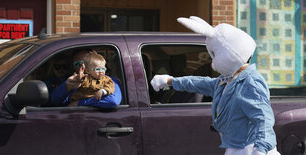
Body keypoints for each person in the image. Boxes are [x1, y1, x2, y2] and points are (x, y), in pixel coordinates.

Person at [151, 16, 280, 155]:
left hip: (250, 148)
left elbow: (263, 118)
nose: (212, 62)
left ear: (229, 54)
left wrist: (261, 149)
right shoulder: (227, 80)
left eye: (214, 54)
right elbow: (202, 83)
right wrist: (171, 81)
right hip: (237, 146)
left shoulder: (250, 83)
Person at [49, 49, 122, 108]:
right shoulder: (72, 80)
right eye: (78, 64)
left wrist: (80, 103)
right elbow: (54, 101)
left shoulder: (108, 80)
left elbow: (112, 101)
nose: (83, 67)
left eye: (85, 63)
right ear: (73, 66)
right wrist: (66, 88)